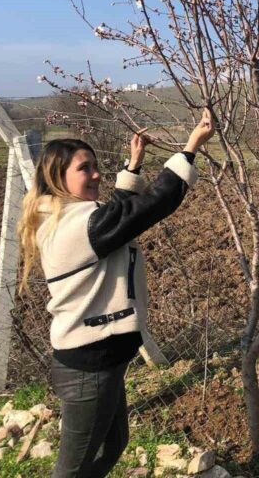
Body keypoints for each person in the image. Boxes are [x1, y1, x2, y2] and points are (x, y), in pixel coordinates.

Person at [18, 109, 215, 478]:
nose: (95, 174)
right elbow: (145, 209)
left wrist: (133, 167)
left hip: (99, 358)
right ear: (57, 178)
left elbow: (115, 219)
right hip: (90, 364)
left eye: (95, 165)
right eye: (84, 168)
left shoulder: (68, 216)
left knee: (114, 442)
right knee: (72, 469)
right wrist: (190, 148)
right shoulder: (77, 224)